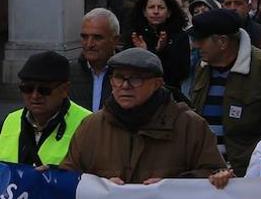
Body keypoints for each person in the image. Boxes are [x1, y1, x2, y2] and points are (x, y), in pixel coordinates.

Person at [61, 48, 225, 183]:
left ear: (157, 84)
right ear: (111, 81)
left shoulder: (190, 126)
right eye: (119, 77)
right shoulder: (92, 126)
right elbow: (68, 178)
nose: (125, 85)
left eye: (136, 79)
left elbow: (212, 175)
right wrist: (99, 186)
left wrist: (171, 185)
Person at [187, 8, 261, 176]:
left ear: (222, 42)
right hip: (205, 172)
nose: (196, 45)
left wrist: (255, 163)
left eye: (201, 40)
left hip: (246, 175)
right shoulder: (202, 68)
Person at [0, 52, 90, 167]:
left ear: (65, 90)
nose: (34, 96)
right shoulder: (11, 120)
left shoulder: (88, 124)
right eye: (27, 88)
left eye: (44, 90)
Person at [125, 0, 192, 90]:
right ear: (144, 12)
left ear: (169, 12)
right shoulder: (135, 36)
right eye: (151, 7)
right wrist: (144, 53)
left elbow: (181, 73)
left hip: (170, 96)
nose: (156, 11)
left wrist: (161, 51)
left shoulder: (180, 36)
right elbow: (127, 71)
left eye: (161, 8)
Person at [70, 8, 121, 112]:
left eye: (97, 38)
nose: (89, 44)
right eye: (84, 37)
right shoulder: (68, 73)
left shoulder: (127, 75)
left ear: (115, 40)